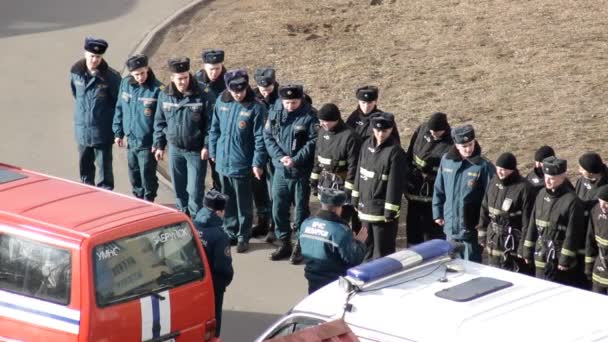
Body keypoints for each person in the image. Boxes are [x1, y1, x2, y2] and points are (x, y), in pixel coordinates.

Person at [209, 69, 267, 253]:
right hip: (223, 162)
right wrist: (213, 150)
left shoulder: (256, 107)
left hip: (242, 163)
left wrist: (257, 163)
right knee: (227, 201)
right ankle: (230, 231)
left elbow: (260, 139)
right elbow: (214, 129)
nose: (238, 94)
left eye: (241, 91)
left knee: (244, 204)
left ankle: (243, 235)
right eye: (234, 91)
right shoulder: (222, 101)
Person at [264, 84, 318, 264]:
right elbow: (268, 136)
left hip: (300, 171)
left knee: (301, 210)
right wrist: (280, 158)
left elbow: (312, 142)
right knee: (278, 207)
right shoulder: (275, 111)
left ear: (301, 99)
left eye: (293, 102)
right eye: (287, 102)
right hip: (281, 169)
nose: (290, 106)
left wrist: (296, 159)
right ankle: (284, 241)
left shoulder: (310, 115)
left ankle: (300, 245)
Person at [153, 57, 208, 216]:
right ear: (172, 78)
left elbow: (211, 124)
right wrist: (159, 145)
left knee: (195, 190)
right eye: (179, 78)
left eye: (185, 77)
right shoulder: (165, 94)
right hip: (175, 149)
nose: (183, 81)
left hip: (195, 151)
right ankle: (183, 216)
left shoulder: (202, 93)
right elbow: (159, 121)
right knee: (179, 188)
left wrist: (206, 145)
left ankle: (196, 224)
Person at [432, 124, 495, 262]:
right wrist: (437, 212)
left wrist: (484, 226)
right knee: (452, 266)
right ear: (456, 145)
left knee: (471, 268)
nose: (468, 149)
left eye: (471, 144)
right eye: (464, 146)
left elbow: (491, 198)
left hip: (471, 229)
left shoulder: (483, 166)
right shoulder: (446, 161)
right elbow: (439, 188)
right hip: (450, 226)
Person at [522, 157, 586, 286]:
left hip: (558, 261)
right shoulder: (540, 194)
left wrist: (564, 259)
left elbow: (572, 233)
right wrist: (527, 250)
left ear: (562, 177)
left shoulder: (572, 201)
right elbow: (532, 225)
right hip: (540, 255)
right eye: (546, 177)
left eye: (552, 178)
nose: (548, 181)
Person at [352, 112, 406, 260]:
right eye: (377, 130)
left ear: (391, 129)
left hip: (382, 214)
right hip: (365, 209)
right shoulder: (366, 145)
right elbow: (359, 172)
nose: (380, 134)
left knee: (383, 252)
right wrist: (355, 198)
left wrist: (390, 211)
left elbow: (395, 184)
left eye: (385, 131)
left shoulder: (395, 152)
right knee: (366, 248)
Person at [70, 37, 121, 190]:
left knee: (104, 173)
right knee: (85, 171)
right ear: (85, 54)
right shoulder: (75, 73)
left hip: (102, 131)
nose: (94, 59)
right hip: (83, 131)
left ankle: (106, 199)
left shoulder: (111, 77)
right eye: (92, 55)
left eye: (98, 57)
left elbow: (118, 104)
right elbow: (76, 94)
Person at [112, 54, 162, 201]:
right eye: (136, 74)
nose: (140, 77)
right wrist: (118, 132)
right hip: (131, 139)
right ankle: (138, 198)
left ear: (147, 69)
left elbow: (161, 120)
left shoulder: (157, 89)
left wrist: (158, 142)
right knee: (134, 173)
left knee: (147, 174)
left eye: (142, 73)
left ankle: (149, 200)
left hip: (147, 142)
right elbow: (120, 108)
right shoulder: (126, 84)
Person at [299, 188, 367, 294]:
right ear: (337, 209)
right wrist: (359, 242)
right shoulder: (340, 231)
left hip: (312, 279)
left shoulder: (306, 224)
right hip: (333, 283)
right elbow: (353, 259)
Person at [477, 152, 534, 270]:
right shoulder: (493, 182)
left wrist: (523, 247)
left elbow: (527, 222)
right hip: (493, 239)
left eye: (503, 169)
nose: (499, 172)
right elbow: (484, 208)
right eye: (498, 169)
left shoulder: (524, 188)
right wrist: (482, 234)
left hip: (512, 243)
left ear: (512, 169)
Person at [310, 103, 361, 232]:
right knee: (327, 218)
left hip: (342, 185)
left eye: (327, 122)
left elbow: (353, 166)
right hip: (326, 182)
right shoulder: (322, 132)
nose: (324, 124)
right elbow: (318, 158)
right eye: (321, 121)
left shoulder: (350, 136)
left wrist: (348, 190)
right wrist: (314, 181)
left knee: (341, 221)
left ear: (336, 119)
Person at [404, 112, 453, 244]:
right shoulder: (422, 130)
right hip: (414, 190)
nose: (433, 134)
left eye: (437, 132)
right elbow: (409, 155)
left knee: (432, 233)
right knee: (413, 227)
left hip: (433, 195)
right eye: (431, 131)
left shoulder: (451, 145)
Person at [192, 190, 233, 337]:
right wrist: (224, 282)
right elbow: (223, 267)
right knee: (213, 321)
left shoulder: (193, 224)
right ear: (219, 211)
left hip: (194, 280)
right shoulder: (220, 236)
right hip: (213, 285)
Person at [250, 67, 279, 241]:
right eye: (262, 89)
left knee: (274, 192)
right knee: (258, 189)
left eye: (268, 88)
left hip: (275, 151)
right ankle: (262, 222)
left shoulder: (283, 97)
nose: (265, 92)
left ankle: (275, 226)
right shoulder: (252, 97)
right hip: (257, 151)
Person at [574, 152, 608, 288]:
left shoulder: (605, 186)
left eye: (582, 169)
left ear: (591, 172)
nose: (579, 171)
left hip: (598, 233)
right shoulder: (581, 181)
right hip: (581, 233)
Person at [195, 49, 226, 192]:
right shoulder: (196, 81)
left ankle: (220, 192)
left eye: (217, 68)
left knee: (218, 169)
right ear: (204, 67)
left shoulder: (229, 81)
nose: (214, 72)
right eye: (211, 69)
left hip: (221, 133)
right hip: (199, 131)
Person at [584, 185, 608, 294]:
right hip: (598, 270)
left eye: (607, 202)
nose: (603, 206)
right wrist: (589, 266)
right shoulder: (596, 210)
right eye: (600, 201)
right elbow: (590, 241)